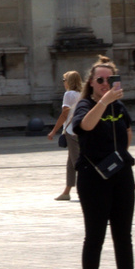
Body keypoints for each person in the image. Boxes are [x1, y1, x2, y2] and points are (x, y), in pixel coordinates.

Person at [74, 56, 135, 269]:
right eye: (100, 80)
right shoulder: (84, 105)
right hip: (93, 178)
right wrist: (104, 101)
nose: (105, 84)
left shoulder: (119, 107)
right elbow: (86, 125)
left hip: (121, 175)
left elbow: (127, 132)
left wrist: (120, 157)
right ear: (91, 83)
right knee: (95, 236)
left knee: (123, 235)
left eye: (109, 80)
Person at [47, 70, 84, 201]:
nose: (63, 83)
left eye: (64, 80)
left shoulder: (68, 94)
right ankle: (67, 191)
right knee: (71, 163)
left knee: (77, 163)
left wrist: (53, 131)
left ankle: (83, 191)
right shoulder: (82, 94)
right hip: (80, 130)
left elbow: (64, 115)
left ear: (69, 82)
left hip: (71, 132)